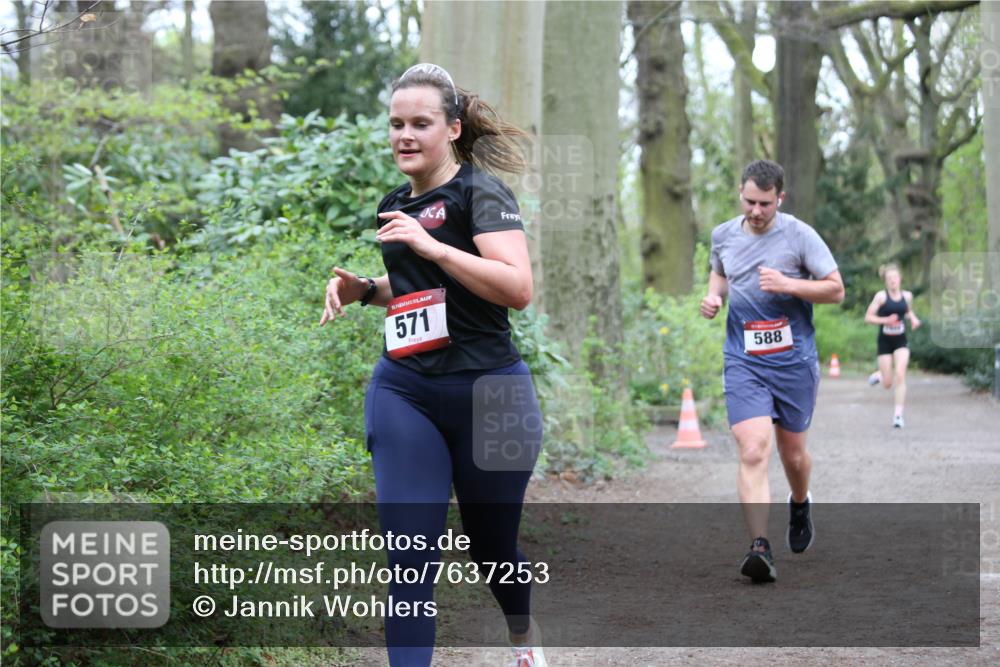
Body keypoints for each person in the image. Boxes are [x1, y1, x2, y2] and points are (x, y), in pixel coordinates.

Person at [320, 64, 546, 667]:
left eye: (420, 123)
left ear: (452, 128)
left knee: (492, 549)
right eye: (396, 124)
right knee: (408, 557)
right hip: (407, 391)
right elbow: (418, 289)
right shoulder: (394, 205)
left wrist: (433, 245)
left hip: (490, 396)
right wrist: (365, 289)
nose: (405, 135)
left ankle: (522, 636)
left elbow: (517, 289)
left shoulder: (482, 193)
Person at [700, 160, 844, 583]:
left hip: (793, 362)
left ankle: (799, 502)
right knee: (752, 449)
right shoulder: (724, 235)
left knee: (793, 454)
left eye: (765, 203)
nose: (756, 210)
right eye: (749, 201)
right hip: (743, 359)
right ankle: (760, 547)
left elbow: (836, 289)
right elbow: (719, 273)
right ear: (740, 194)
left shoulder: (800, 236)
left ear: (780, 198)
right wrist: (713, 297)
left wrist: (789, 284)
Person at [864, 263, 921, 428]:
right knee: (888, 383)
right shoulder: (881, 297)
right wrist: (885, 320)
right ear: (885, 281)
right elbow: (868, 317)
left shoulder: (907, 296)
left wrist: (913, 319)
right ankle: (881, 375)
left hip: (901, 341)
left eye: (895, 277)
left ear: (900, 279)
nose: (893, 281)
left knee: (900, 374)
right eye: (889, 278)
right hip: (885, 342)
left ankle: (898, 416)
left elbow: (907, 311)